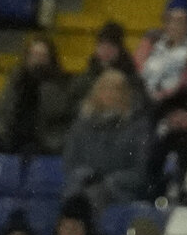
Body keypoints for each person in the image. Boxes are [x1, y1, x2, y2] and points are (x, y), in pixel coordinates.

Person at [62, 69, 149, 212]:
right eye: (105, 89)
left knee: (93, 197)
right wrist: (88, 176)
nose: (110, 94)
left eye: (116, 90)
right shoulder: (81, 125)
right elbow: (70, 163)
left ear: (126, 94)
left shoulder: (138, 127)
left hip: (120, 191)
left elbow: (140, 171)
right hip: (83, 185)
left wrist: (108, 181)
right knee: (74, 196)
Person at [0, 35, 76, 156]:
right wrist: (1, 135)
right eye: (34, 55)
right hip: (11, 143)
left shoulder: (62, 85)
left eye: (42, 56)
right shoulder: (15, 83)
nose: (37, 60)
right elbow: (0, 114)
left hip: (47, 147)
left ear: (50, 59)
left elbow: (61, 116)